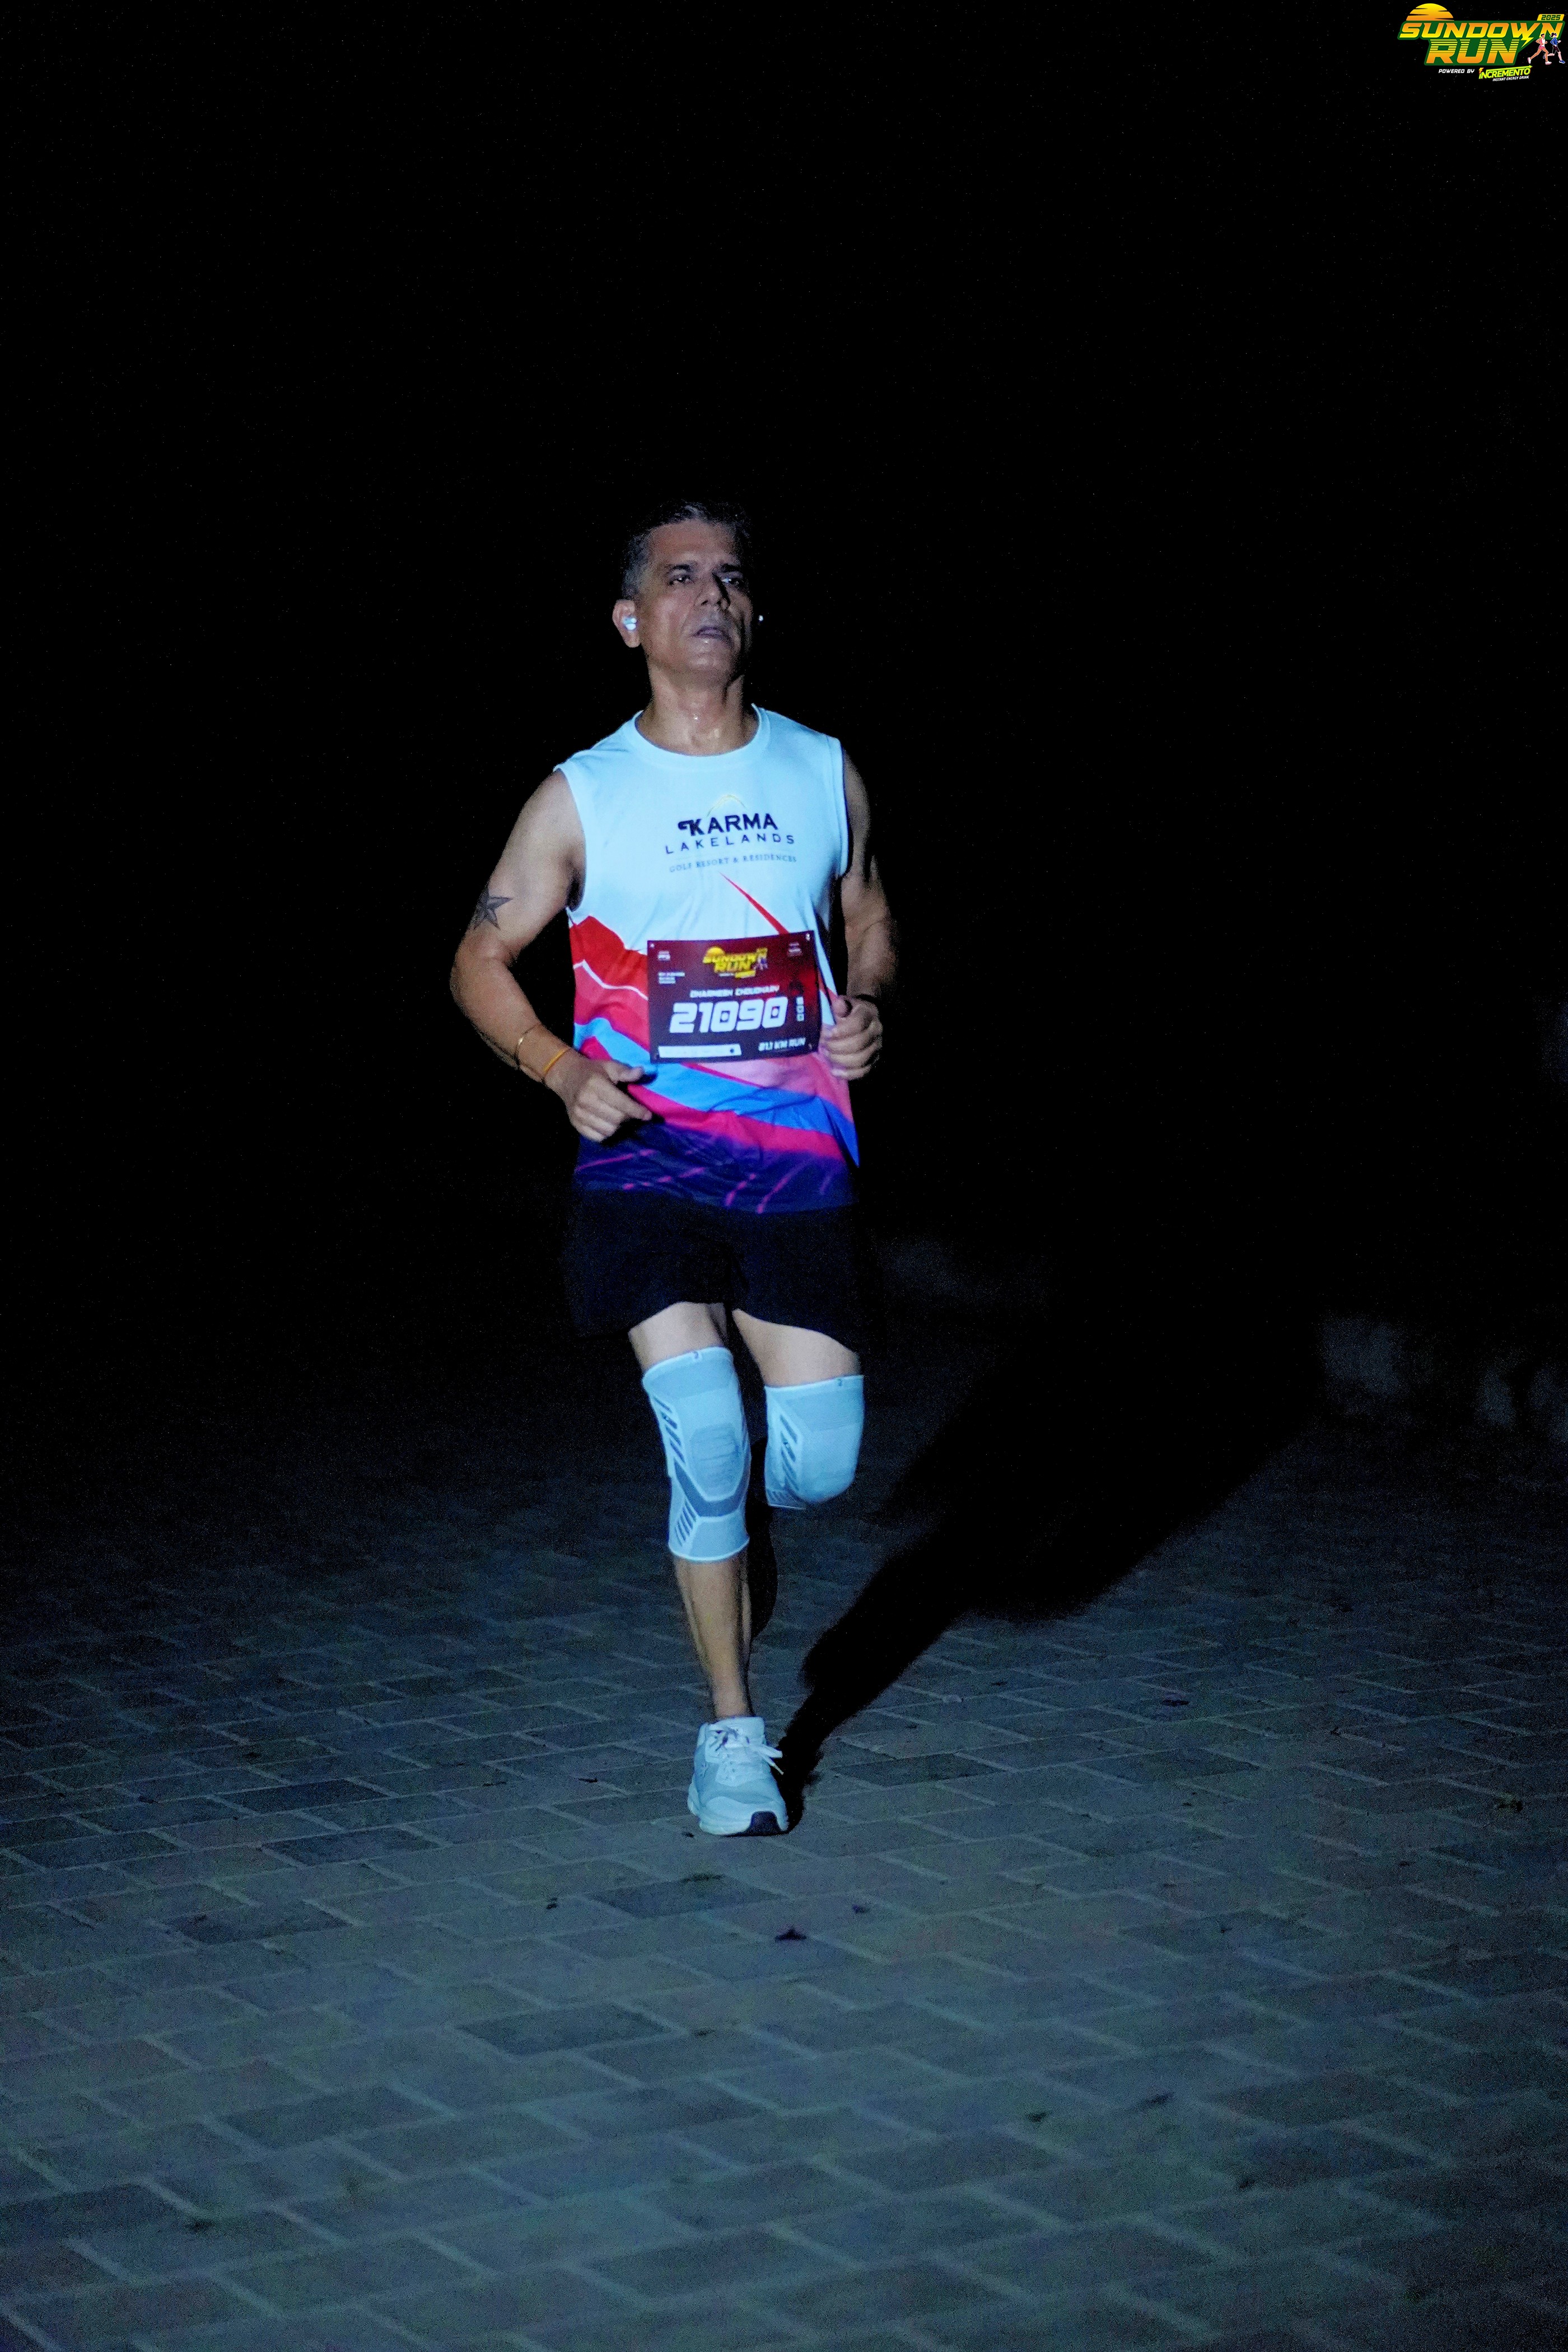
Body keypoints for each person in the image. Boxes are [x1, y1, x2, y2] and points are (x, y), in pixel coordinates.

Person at [450, 498, 897, 1835]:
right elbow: (478, 958)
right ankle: (731, 1737)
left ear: (753, 612)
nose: (710, 594)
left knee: (814, 1466)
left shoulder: (819, 769)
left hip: (794, 1167)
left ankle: (740, 1516)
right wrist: (556, 1067)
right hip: (646, 1160)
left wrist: (867, 1000)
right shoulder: (582, 792)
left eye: (730, 577)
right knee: (704, 1440)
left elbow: (866, 911)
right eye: (679, 576)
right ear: (629, 619)